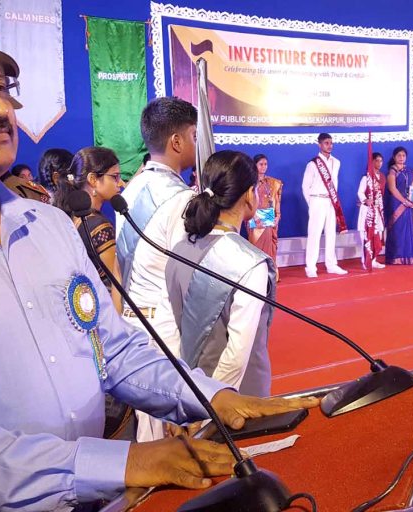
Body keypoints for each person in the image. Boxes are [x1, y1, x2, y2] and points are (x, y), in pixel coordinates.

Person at [0, 23, 316, 512]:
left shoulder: (47, 226)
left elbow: (113, 352)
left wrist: (212, 397)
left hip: (94, 499)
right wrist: (126, 461)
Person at [115, 96, 200, 442]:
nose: (197, 143)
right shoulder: (181, 197)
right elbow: (187, 275)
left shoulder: (130, 187)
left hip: (132, 320)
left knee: (147, 430)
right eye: (194, 136)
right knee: (171, 436)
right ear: (176, 141)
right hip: (164, 325)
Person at [167, 150, 275, 397]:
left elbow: (174, 329)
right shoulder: (249, 262)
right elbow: (237, 355)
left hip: (189, 389)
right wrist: (213, 403)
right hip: (235, 399)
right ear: (250, 195)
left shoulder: (179, 249)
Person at [54, 146, 126, 313]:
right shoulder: (100, 227)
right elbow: (114, 286)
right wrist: (118, 325)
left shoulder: (71, 219)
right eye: (115, 177)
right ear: (93, 179)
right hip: (103, 315)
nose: (120, 183)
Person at [302, 133, 348, 277]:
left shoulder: (337, 162)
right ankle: (311, 267)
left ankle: (331, 264)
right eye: (326, 143)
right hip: (317, 200)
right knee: (314, 234)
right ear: (319, 144)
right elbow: (305, 186)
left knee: (331, 233)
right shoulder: (313, 164)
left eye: (331, 143)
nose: (329, 145)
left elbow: (335, 183)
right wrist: (312, 203)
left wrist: (334, 200)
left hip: (331, 201)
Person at [384, 146, 413, 264]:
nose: (401, 157)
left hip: (409, 204)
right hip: (396, 204)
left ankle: (408, 256)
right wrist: (404, 201)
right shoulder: (392, 171)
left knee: (408, 230)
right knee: (397, 230)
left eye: (403, 155)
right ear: (394, 157)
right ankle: (395, 257)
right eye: (399, 155)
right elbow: (392, 189)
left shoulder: (409, 171)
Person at [247, 154, 283, 276]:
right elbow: (246, 202)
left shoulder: (272, 183)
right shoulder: (249, 183)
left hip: (269, 218)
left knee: (270, 246)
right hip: (254, 218)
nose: (264, 167)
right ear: (255, 165)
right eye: (261, 164)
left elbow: (276, 201)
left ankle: (270, 274)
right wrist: (254, 217)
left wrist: (278, 216)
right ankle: (257, 275)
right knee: (256, 247)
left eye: (265, 164)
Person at [358, 152, 386, 269]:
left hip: (378, 210)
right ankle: (365, 261)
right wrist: (365, 200)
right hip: (368, 211)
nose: (379, 163)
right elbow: (360, 192)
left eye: (381, 161)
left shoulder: (382, 177)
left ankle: (373, 260)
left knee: (377, 234)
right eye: (376, 160)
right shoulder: (366, 177)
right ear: (372, 161)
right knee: (366, 235)